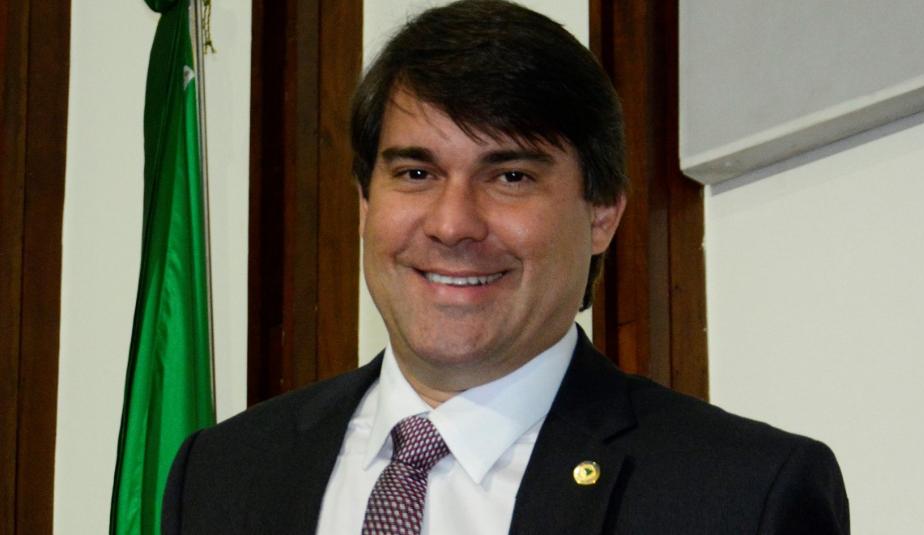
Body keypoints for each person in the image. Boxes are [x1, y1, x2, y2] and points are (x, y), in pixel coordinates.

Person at [162, 1, 849, 533]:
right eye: (416, 172)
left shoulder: (740, 495)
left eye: (510, 176)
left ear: (602, 214)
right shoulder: (224, 475)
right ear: (365, 203)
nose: (452, 223)